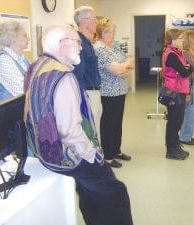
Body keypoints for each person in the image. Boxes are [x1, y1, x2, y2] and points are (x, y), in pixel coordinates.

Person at [24, 25, 133, 225]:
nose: (81, 48)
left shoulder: (38, 66)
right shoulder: (64, 77)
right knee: (116, 193)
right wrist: (94, 156)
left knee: (89, 191)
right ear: (63, 44)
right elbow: (70, 132)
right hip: (67, 157)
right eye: (77, 42)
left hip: (44, 151)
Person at [94, 18, 133, 168]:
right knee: (108, 125)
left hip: (120, 91)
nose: (113, 34)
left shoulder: (114, 47)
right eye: (110, 31)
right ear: (102, 33)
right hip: (108, 94)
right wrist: (124, 68)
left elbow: (130, 61)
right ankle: (108, 156)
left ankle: (116, 150)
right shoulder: (100, 49)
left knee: (117, 124)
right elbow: (118, 70)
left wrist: (125, 67)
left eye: (114, 31)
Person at [162, 28, 192, 160]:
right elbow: (185, 71)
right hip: (173, 91)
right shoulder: (171, 54)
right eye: (180, 38)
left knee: (178, 120)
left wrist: (187, 68)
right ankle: (171, 149)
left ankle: (176, 145)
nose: (183, 40)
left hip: (181, 90)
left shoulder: (178, 52)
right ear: (173, 40)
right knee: (174, 121)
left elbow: (186, 69)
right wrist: (187, 68)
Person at [73, 6, 102, 136]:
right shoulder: (80, 44)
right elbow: (78, 74)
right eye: (94, 19)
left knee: (95, 130)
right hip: (88, 94)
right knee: (91, 133)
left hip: (93, 92)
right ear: (85, 21)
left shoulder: (87, 41)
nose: (97, 22)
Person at [0, 20, 30, 103]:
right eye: (25, 36)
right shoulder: (4, 60)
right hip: (10, 113)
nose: (28, 39)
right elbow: (23, 90)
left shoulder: (23, 59)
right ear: (13, 38)